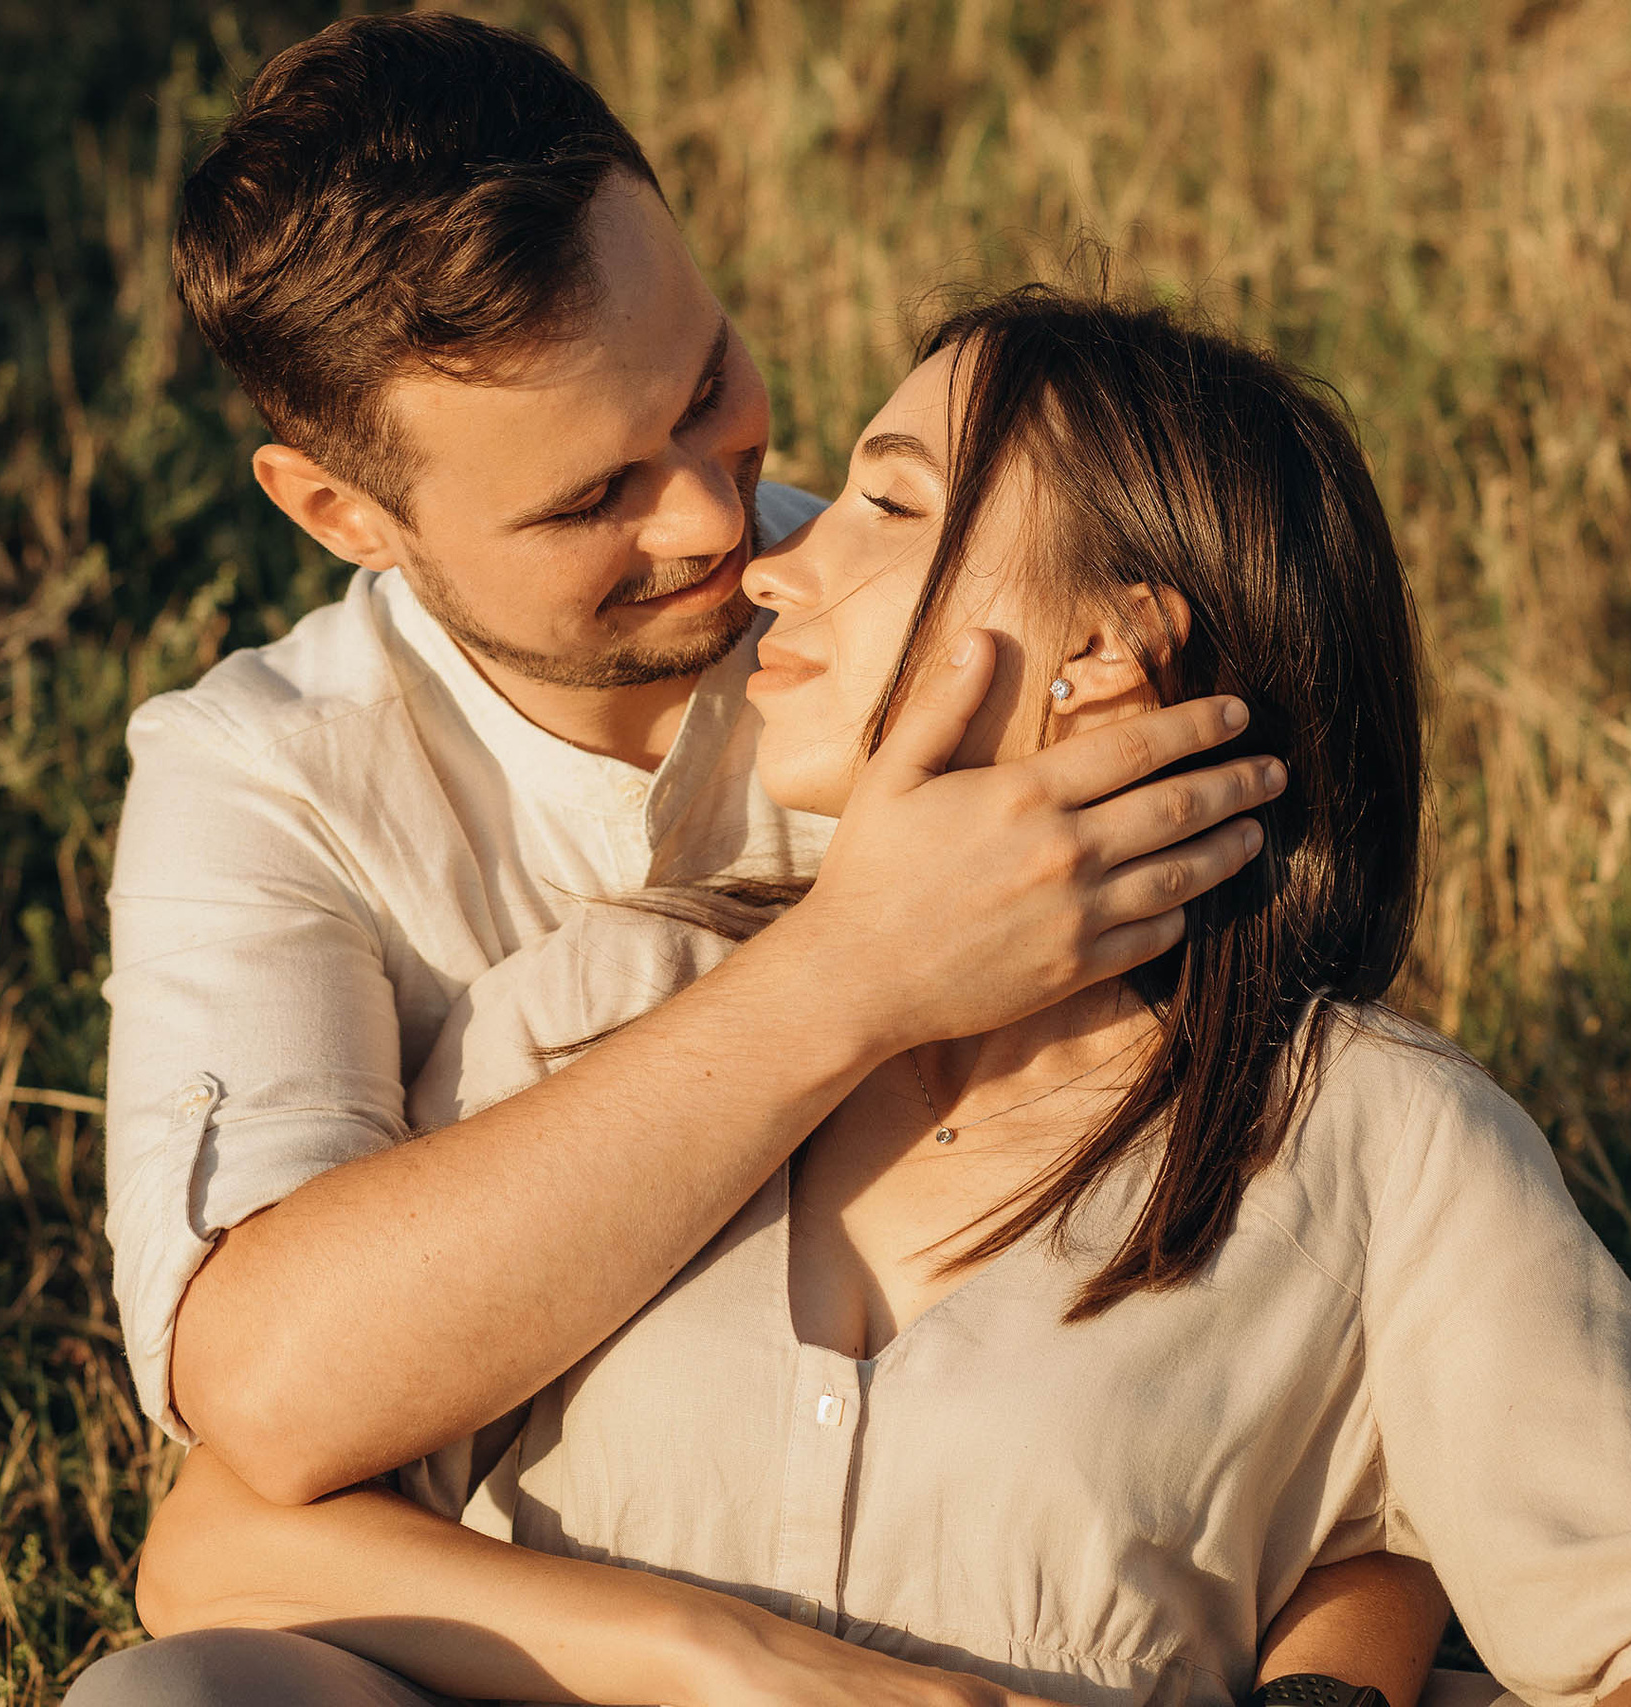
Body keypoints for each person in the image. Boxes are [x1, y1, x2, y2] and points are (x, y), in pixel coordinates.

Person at [78, 292, 1631, 1707]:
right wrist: (751, 1672)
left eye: (886, 504)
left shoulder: (1383, 1149)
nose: (764, 554)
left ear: (1107, 657)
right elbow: (234, 1537)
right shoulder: (604, 1003)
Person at [89, 8, 1448, 1704]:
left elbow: (1320, 1281)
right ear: (338, 513)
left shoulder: (945, 637)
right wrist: (854, 970)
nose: (719, 526)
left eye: (708, 387)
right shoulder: (268, 780)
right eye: (590, 500)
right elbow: (273, 1404)